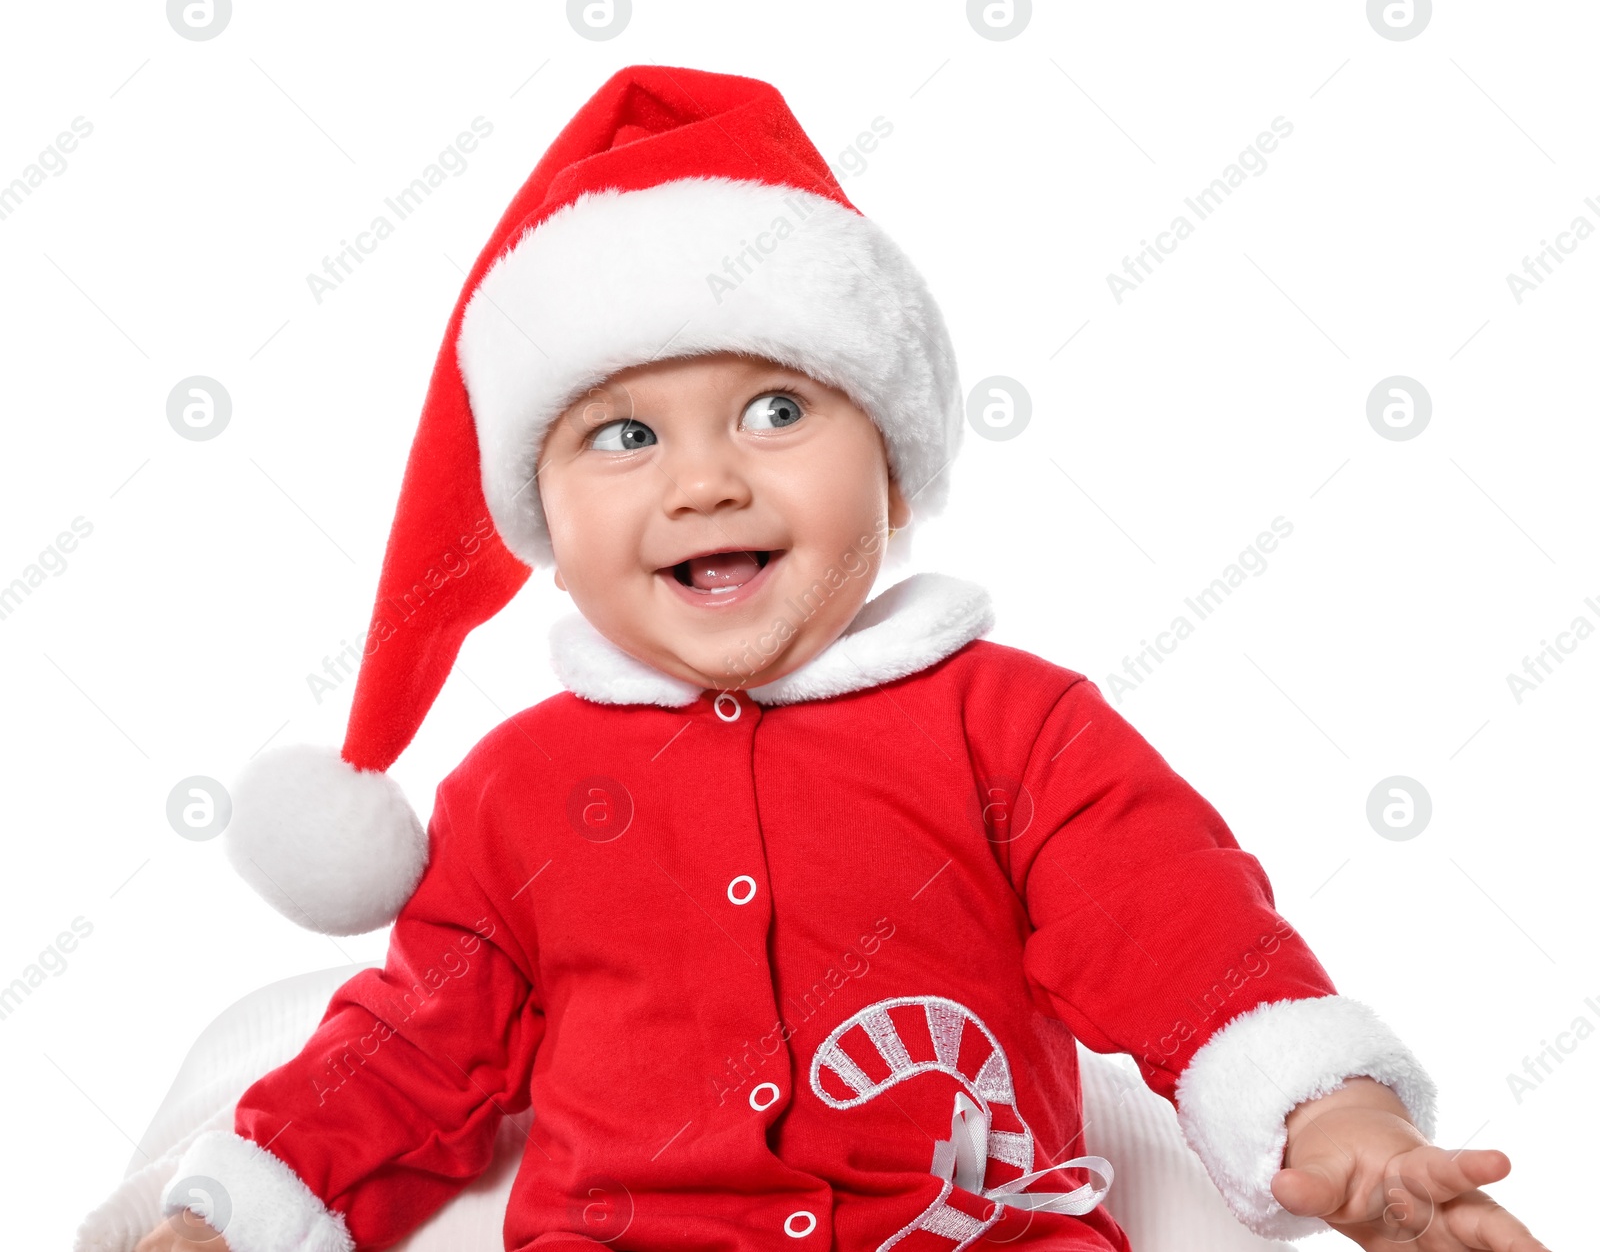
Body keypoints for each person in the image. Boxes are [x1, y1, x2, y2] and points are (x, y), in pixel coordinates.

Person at [133, 66, 1547, 1252]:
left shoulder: (1015, 725)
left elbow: (1181, 930)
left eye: (774, 407)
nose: (702, 483)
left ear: (896, 468)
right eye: (623, 435)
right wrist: (235, 1207)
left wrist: (1335, 1113)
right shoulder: (518, 790)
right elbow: (412, 1053)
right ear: (542, 520)